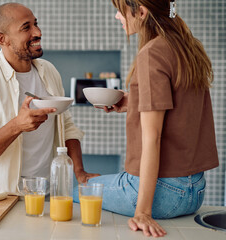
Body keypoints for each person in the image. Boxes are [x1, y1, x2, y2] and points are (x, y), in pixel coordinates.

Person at [73, 0, 219, 237]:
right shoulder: (187, 46)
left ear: (141, 12)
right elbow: (181, 106)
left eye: (120, 10)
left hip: (165, 194)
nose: (117, 17)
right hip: (195, 192)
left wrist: (143, 212)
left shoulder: (151, 53)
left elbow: (153, 137)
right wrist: (133, 101)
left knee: (72, 191)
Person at [0, 3, 99, 197]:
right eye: (26, 27)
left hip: (50, 195)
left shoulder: (48, 71)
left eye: (36, 24)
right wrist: (17, 125)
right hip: (5, 200)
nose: (38, 32)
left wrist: (79, 171)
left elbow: (66, 126)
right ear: (2, 39)